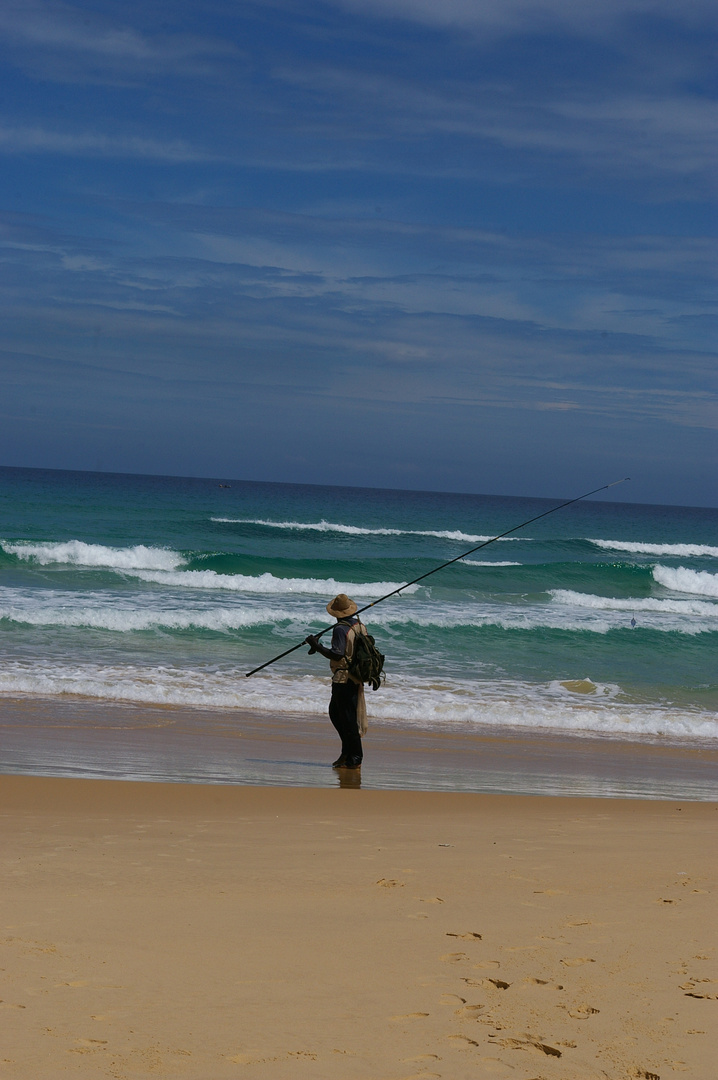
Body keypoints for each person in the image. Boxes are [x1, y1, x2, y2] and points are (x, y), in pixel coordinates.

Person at [305, 593, 368, 770]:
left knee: (345, 718)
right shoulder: (359, 625)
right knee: (337, 714)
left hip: (344, 678)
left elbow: (337, 654)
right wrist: (317, 646)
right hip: (355, 675)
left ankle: (356, 757)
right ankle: (347, 752)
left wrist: (316, 646)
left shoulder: (341, 629)